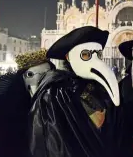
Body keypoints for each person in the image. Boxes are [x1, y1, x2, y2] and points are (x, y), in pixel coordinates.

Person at [28, 26, 125, 157]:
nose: (94, 60)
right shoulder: (54, 94)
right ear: (68, 57)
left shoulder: (99, 89)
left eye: (98, 54)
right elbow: (54, 143)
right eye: (86, 54)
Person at [0, 49, 56, 157]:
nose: (41, 79)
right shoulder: (8, 105)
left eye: (47, 73)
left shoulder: (60, 99)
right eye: (30, 74)